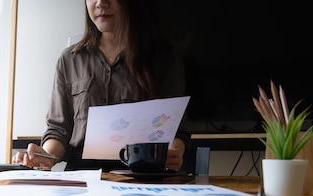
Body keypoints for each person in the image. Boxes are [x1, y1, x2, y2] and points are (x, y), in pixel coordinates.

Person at [12, 0, 192, 172]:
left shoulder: (163, 58)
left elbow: (176, 129)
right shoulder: (69, 59)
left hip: (140, 177)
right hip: (80, 177)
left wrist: (173, 153)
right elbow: (59, 129)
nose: (100, 3)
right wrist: (45, 155)